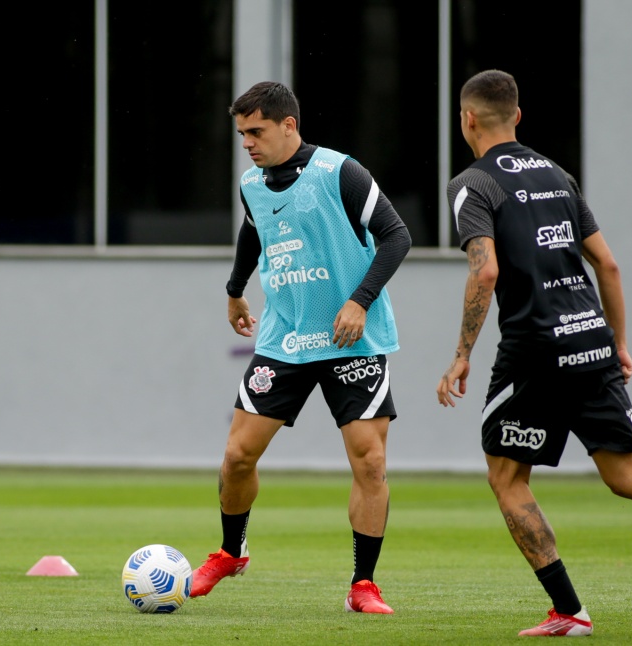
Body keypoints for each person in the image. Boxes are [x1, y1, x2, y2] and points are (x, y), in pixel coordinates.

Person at [436, 69, 632, 637]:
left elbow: (484, 268)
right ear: (518, 115)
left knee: (508, 479)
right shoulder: (558, 176)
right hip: (590, 340)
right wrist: (619, 342)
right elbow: (606, 264)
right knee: (628, 471)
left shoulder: (472, 183)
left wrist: (462, 353)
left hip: (534, 350)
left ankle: (569, 610)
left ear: (466, 120)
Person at [191, 81, 411, 615]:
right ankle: (231, 550)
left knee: (370, 462)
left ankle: (363, 585)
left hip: (350, 340)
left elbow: (397, 235)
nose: (247, 142)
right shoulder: (252, 184)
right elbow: (254, 231)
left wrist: (359, 301)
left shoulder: (341, 172)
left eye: (257, 131)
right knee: (238, 456)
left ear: (289, 125)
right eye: (242, 133)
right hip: (285, 339)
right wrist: (234, 289)